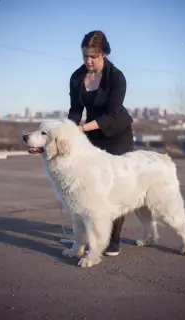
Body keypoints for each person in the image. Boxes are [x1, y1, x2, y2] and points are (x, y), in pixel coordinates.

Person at [67, 30, 134, 256]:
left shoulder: (117, 77)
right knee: (91, 187)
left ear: (103, 54)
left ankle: (113, 240)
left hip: (118, 134)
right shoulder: (77, 77)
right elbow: (76, 110)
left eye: (93, 56)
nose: (88, 61)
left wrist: (82, 128)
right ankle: (89, 235)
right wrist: (69, 130)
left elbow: (113, 115)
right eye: (85, 55)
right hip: (93, 136)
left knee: (116, 186)